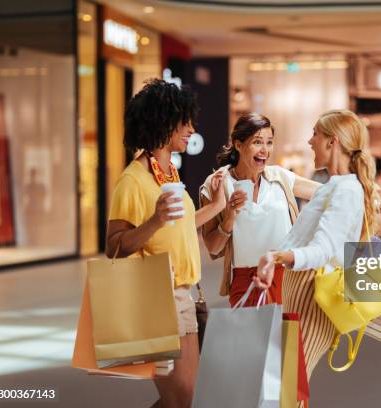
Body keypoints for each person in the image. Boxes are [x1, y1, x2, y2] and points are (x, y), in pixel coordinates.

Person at [105, 79, 226, 408]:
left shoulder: (168, 172)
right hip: (157, 296)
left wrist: (215, 208)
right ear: (162, 122)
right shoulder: (133, 180)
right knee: (183, 396)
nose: (191, 128)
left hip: (184, 293)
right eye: (184, 121)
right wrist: (154, 221)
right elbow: (114, 246)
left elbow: (180, 227)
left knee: (188, 397)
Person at [254, 109, 381, 390]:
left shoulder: (346, 190)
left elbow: (323, 249)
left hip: (311, 295)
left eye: (316, 134)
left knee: (290, 387)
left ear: (332, 141)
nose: (310, 141)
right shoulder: (334, 186)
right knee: (288, 385)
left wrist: (278, 257)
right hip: (301, 294)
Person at [199, 113, 320, 307]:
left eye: (269, 142)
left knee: (290, 337)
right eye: (257, 142)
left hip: (288, 277)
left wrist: (374, 201)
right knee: (251, 337)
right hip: (247, 279)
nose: (265, 150)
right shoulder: (219, 183)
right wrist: (229, 218)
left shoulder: (280, 178)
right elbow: (213, 246)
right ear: (238, 144)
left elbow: (326, 193)